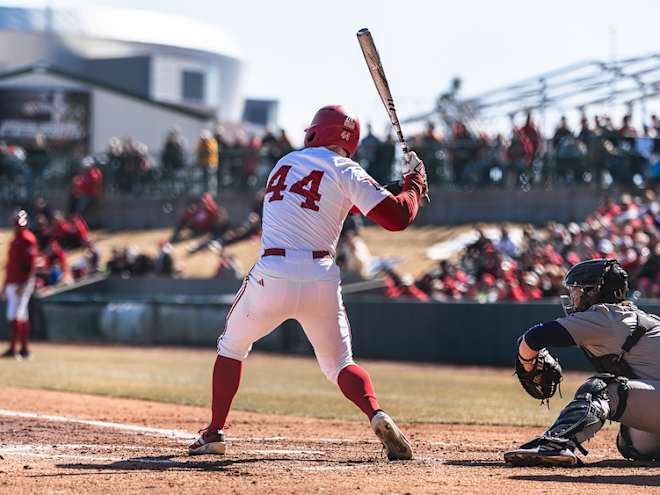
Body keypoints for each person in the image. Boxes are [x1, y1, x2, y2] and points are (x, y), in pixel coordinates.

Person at [189, 104, 428, 461]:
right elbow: (396, 217)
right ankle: (376, 413)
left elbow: (316, 200)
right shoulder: (348, 169)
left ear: (315, 132)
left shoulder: (284, 163)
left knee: (232, 347)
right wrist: (414, 184)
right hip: (320, 276)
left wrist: (401, 186)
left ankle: (214, 432)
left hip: (273, 273)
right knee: (340, 364)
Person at [504, 259, 660, 466]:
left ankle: (555, 444)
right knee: (634, 443)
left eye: (576, 290)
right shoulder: (628, 316)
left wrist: (527, 363)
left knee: (601, 389)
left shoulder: (606, 316)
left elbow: (534, 336)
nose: (573, 296)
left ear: (594, 291)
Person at [1, 211, 38, 360]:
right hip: (12, 281)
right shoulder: (14, 240)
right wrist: (4, 284)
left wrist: (24, 284)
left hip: (22, 283)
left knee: (15, 314)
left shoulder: (28, 239)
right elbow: (10, 265)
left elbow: (31, 265)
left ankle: (15, 349)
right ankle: (23, 349)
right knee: (20, 315)